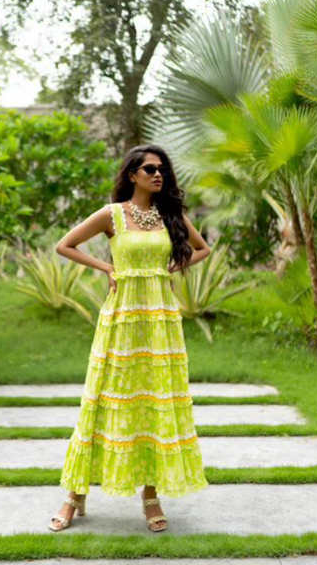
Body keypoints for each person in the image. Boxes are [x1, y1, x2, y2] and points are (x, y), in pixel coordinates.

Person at [50, 144, 211, 532]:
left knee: (154, 404)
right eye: (150, 169)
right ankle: (74, 494)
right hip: (122, 319)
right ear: (132, 175)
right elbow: (64, 245)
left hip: (160, 323)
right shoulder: (113, 214)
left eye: (162, 169)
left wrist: (169, 269)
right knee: (103, 402)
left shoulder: (170, 215)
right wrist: (107, 267)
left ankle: (151, 496)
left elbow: (203, 249)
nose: (158, 175)